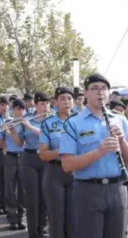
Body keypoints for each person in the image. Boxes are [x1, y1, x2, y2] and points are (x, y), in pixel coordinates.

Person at [60, 73, 128, 238]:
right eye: (94, 89)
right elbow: (67, 165)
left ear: (109, 93)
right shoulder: (74, 123)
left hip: (118, 188)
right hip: (88, 189)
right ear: (86, 93)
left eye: (103, 88)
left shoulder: (120, 120)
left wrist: (122, 141)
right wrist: (99, 152)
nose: (100, 93)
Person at [39, 87, 76, 238]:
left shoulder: (80, 121)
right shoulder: (48, 123)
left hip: (76, 173)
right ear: (55, 102)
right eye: (62, 98)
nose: (66, 102)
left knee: (74, 219)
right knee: (56, 219)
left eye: (69, 98)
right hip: (55, 173)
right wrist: (62, 151)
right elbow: (43, 154)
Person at [20, 92, 50, 238]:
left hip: (45, 158)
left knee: (44, 197)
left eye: (47, 103)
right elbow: (19, 142)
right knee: (32, 198)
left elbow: (46, 135)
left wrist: (30, 127)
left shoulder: (51, 120)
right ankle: (32, 232)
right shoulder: (26, 118)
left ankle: (42, 228)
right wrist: (13, 131)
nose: (46, 106)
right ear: (36, 105)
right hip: (30, 158)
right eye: (43, 104)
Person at [1, 99, 27, 231]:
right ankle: (12, 218)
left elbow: (22, 142)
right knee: (10, 189)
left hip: (23, 157)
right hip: (10, 157)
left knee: (22, 189)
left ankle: (21, 218)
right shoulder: (7, 122)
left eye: (24, 109)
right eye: (20, 109)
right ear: (15, 109)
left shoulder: (26, 122)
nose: (22, 111)